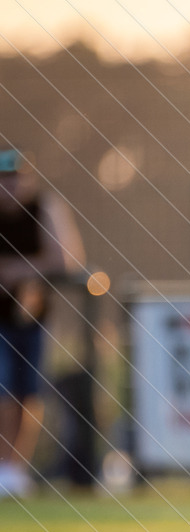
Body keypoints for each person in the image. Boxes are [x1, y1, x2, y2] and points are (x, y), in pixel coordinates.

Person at [0, 147, 85, 497]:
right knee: (3, 389)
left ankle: (15, 469)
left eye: (17, 178)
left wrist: (19, 269)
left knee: (29, 393)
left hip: (33, 318)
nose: (12, 186)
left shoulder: (45, 208)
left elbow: (66, 259)